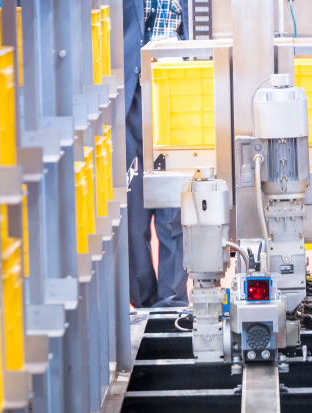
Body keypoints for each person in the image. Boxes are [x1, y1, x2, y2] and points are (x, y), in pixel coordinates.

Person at [123, 0, 189, 308]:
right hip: (130, 95)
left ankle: (172, 301)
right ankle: (144, 298)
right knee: (132, 208)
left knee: (174, 209)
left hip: (178, 91)